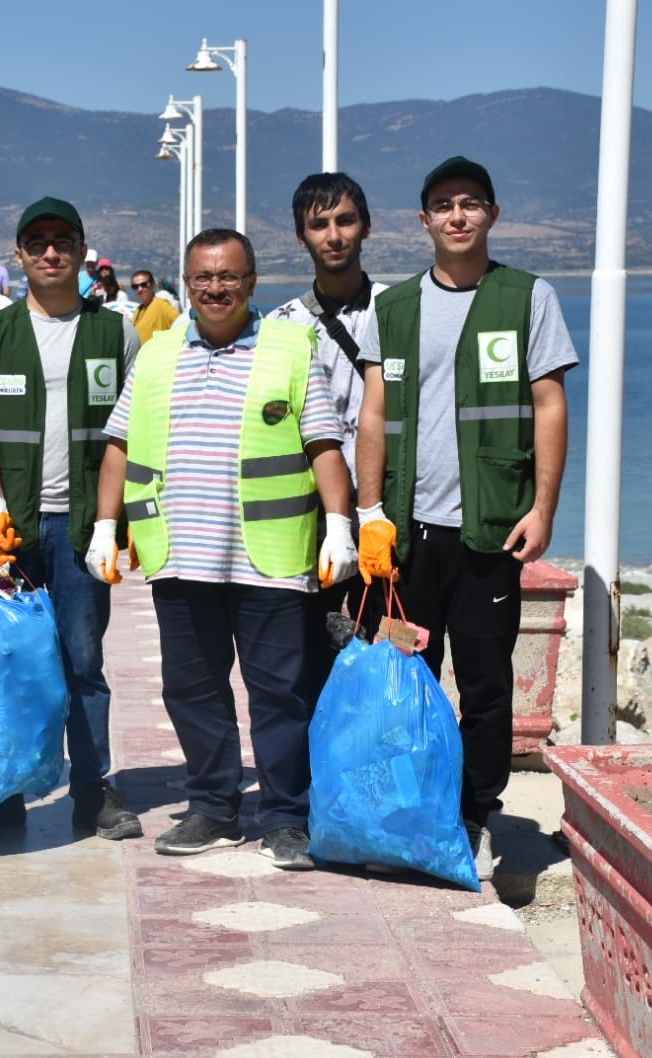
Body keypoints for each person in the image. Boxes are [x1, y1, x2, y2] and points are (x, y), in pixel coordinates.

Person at [94, 228, 357, 870]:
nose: (215, 288)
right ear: (186, 283)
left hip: (270, 557)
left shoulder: (293, 347)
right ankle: (213, 805)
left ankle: (285, 817)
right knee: (191, 689)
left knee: (278, 693)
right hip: (179, 555)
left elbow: (323, 442)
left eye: (229, 277)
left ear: (252, 282)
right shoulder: (154, 354)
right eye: (203, 278)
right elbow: (120, 446)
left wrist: (341, 524)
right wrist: (106, 527)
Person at [356, 156, 578, 881]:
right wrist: (368, 515)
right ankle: (407, 810)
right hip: (405, 541)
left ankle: (473, 814)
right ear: (422, 220)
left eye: (471, 203)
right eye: (443, 205)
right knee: (404, 675)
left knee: (483, 686)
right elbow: (372, 413)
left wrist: (542, 509)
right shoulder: (391, 308)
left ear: (491, 214)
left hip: (487, 535)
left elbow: (549, 404)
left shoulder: (525, 297)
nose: (457, 215)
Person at [0, 196, 143, 840]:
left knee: (83, 662)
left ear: (80, 249)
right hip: (15, 529)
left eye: (61, 240)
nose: (49, 251)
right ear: (18, 255)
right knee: (9, 664)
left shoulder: (115, 331)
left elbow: (132, 434)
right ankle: (3, 796)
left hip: (83, 529)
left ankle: (94, 793)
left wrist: (120, 524)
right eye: (35, 242)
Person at [266, 172, 387, 710]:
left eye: (345, 220)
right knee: (304, 662)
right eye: (319, 225)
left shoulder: (399, 309)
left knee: (377, 654)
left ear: (365, 227)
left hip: (384, 515)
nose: (334, 234)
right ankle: (311, 781)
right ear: (301, 238)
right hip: (305, 523)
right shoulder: (281, 326)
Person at [130, 269, 179, 344]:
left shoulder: (161, 304)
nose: (140, 289)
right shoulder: (139, 310)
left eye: (144, 285)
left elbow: (181, 324)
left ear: (153, 285)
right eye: (135, 286)